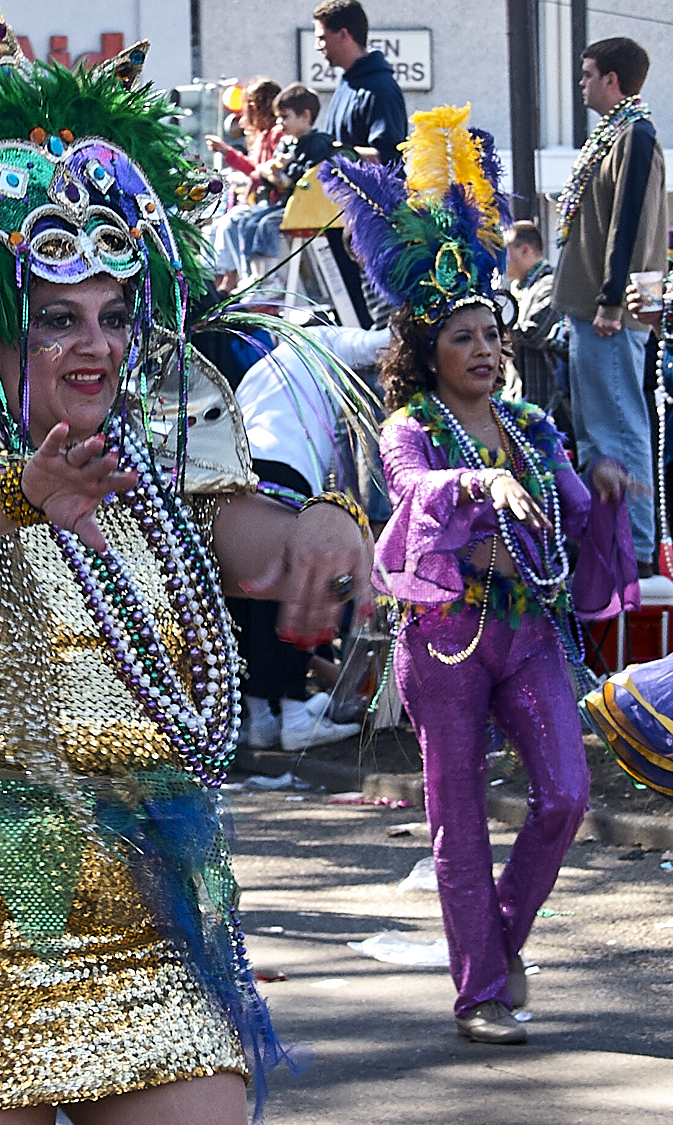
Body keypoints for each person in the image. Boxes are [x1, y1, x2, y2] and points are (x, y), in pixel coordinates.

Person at [0, 7, 370, 1122]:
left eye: (111, 312)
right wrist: (22, 494)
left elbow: (256, 543)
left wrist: (325, 527)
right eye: (56, 317)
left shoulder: (153, 464)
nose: (96, 344)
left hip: (134, 879)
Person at [323, 106, 639, 1045]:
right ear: (429, 353)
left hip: (530, 630)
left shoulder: (535, 429)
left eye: (493, 337)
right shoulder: (410, 428)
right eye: (466, 338)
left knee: (567, 796)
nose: (488, 351)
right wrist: (477, 477)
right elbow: (413, 494)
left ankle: (499, 943)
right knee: (457, 823)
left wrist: (610, 494)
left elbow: (577, 515)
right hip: (448, 637)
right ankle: (483, 992)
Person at [231, 323, 388, 749]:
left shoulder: (260, 368)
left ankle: (261, 715)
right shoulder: (318, 347)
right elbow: (377, 343)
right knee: (294, 593)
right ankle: (296, 714)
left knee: (251, 599)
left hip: (240, 472)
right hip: (287, 473)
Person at [551, 36, 666, 577]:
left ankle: (636, 551)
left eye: (588, 73)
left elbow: (630, 222)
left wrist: (612, 302)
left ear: (612, 81)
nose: (582, 84)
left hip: (611, 310)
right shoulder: (614, 133)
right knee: (601, 429)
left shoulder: (636, 135)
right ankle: (615, 544)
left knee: (620, 426)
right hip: (598, 306)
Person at [229, 83, 336, 280]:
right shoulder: (287, 144)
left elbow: (307, 176)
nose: (279, 122)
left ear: (305, 116)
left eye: (285, 117)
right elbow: (270, 175)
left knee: (267, 224)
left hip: (309, 207)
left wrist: (285, 170)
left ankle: (271, 278)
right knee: (251, 221)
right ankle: (257, 276)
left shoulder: (317, 143)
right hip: (289, 203)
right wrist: (273, 171)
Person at [205, 77, 283, 291]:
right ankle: (221, 278)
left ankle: (234, 280)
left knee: (232, 222)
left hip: (271, 200)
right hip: (260, 199)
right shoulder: (264, 135)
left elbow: (261, 171)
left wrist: (227, 153)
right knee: (219, 225)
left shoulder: (275, 134)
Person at [312, 0, 406, 164]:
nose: (317, 46)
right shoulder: (348, 83)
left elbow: (389, 158)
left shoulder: (380, 88)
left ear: (343, 35)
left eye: (322, 38)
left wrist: (338, 152)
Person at [501, 221, 566, 427]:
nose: (499, 259)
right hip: (515, 398)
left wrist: (496, 329)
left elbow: (535, 334)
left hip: (544, 404)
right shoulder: (516, 288)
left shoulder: (550, 284)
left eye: (505, 251)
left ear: (525, 250)